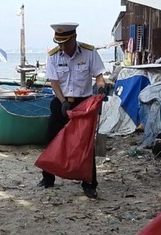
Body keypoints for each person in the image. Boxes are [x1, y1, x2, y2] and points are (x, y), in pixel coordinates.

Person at [37, 23, 107, 199]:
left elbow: (99, 76)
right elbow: (54, 82)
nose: (62, 47)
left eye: (65, 43)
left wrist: (101, 89)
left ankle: (89, 184)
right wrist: (62, 102)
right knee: (51, 139)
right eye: (59, 43)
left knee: (85, 144)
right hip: (62, 101)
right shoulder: (53, 56)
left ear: (74, 38)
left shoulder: (89, 52)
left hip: (83, 104)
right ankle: (48, 178)